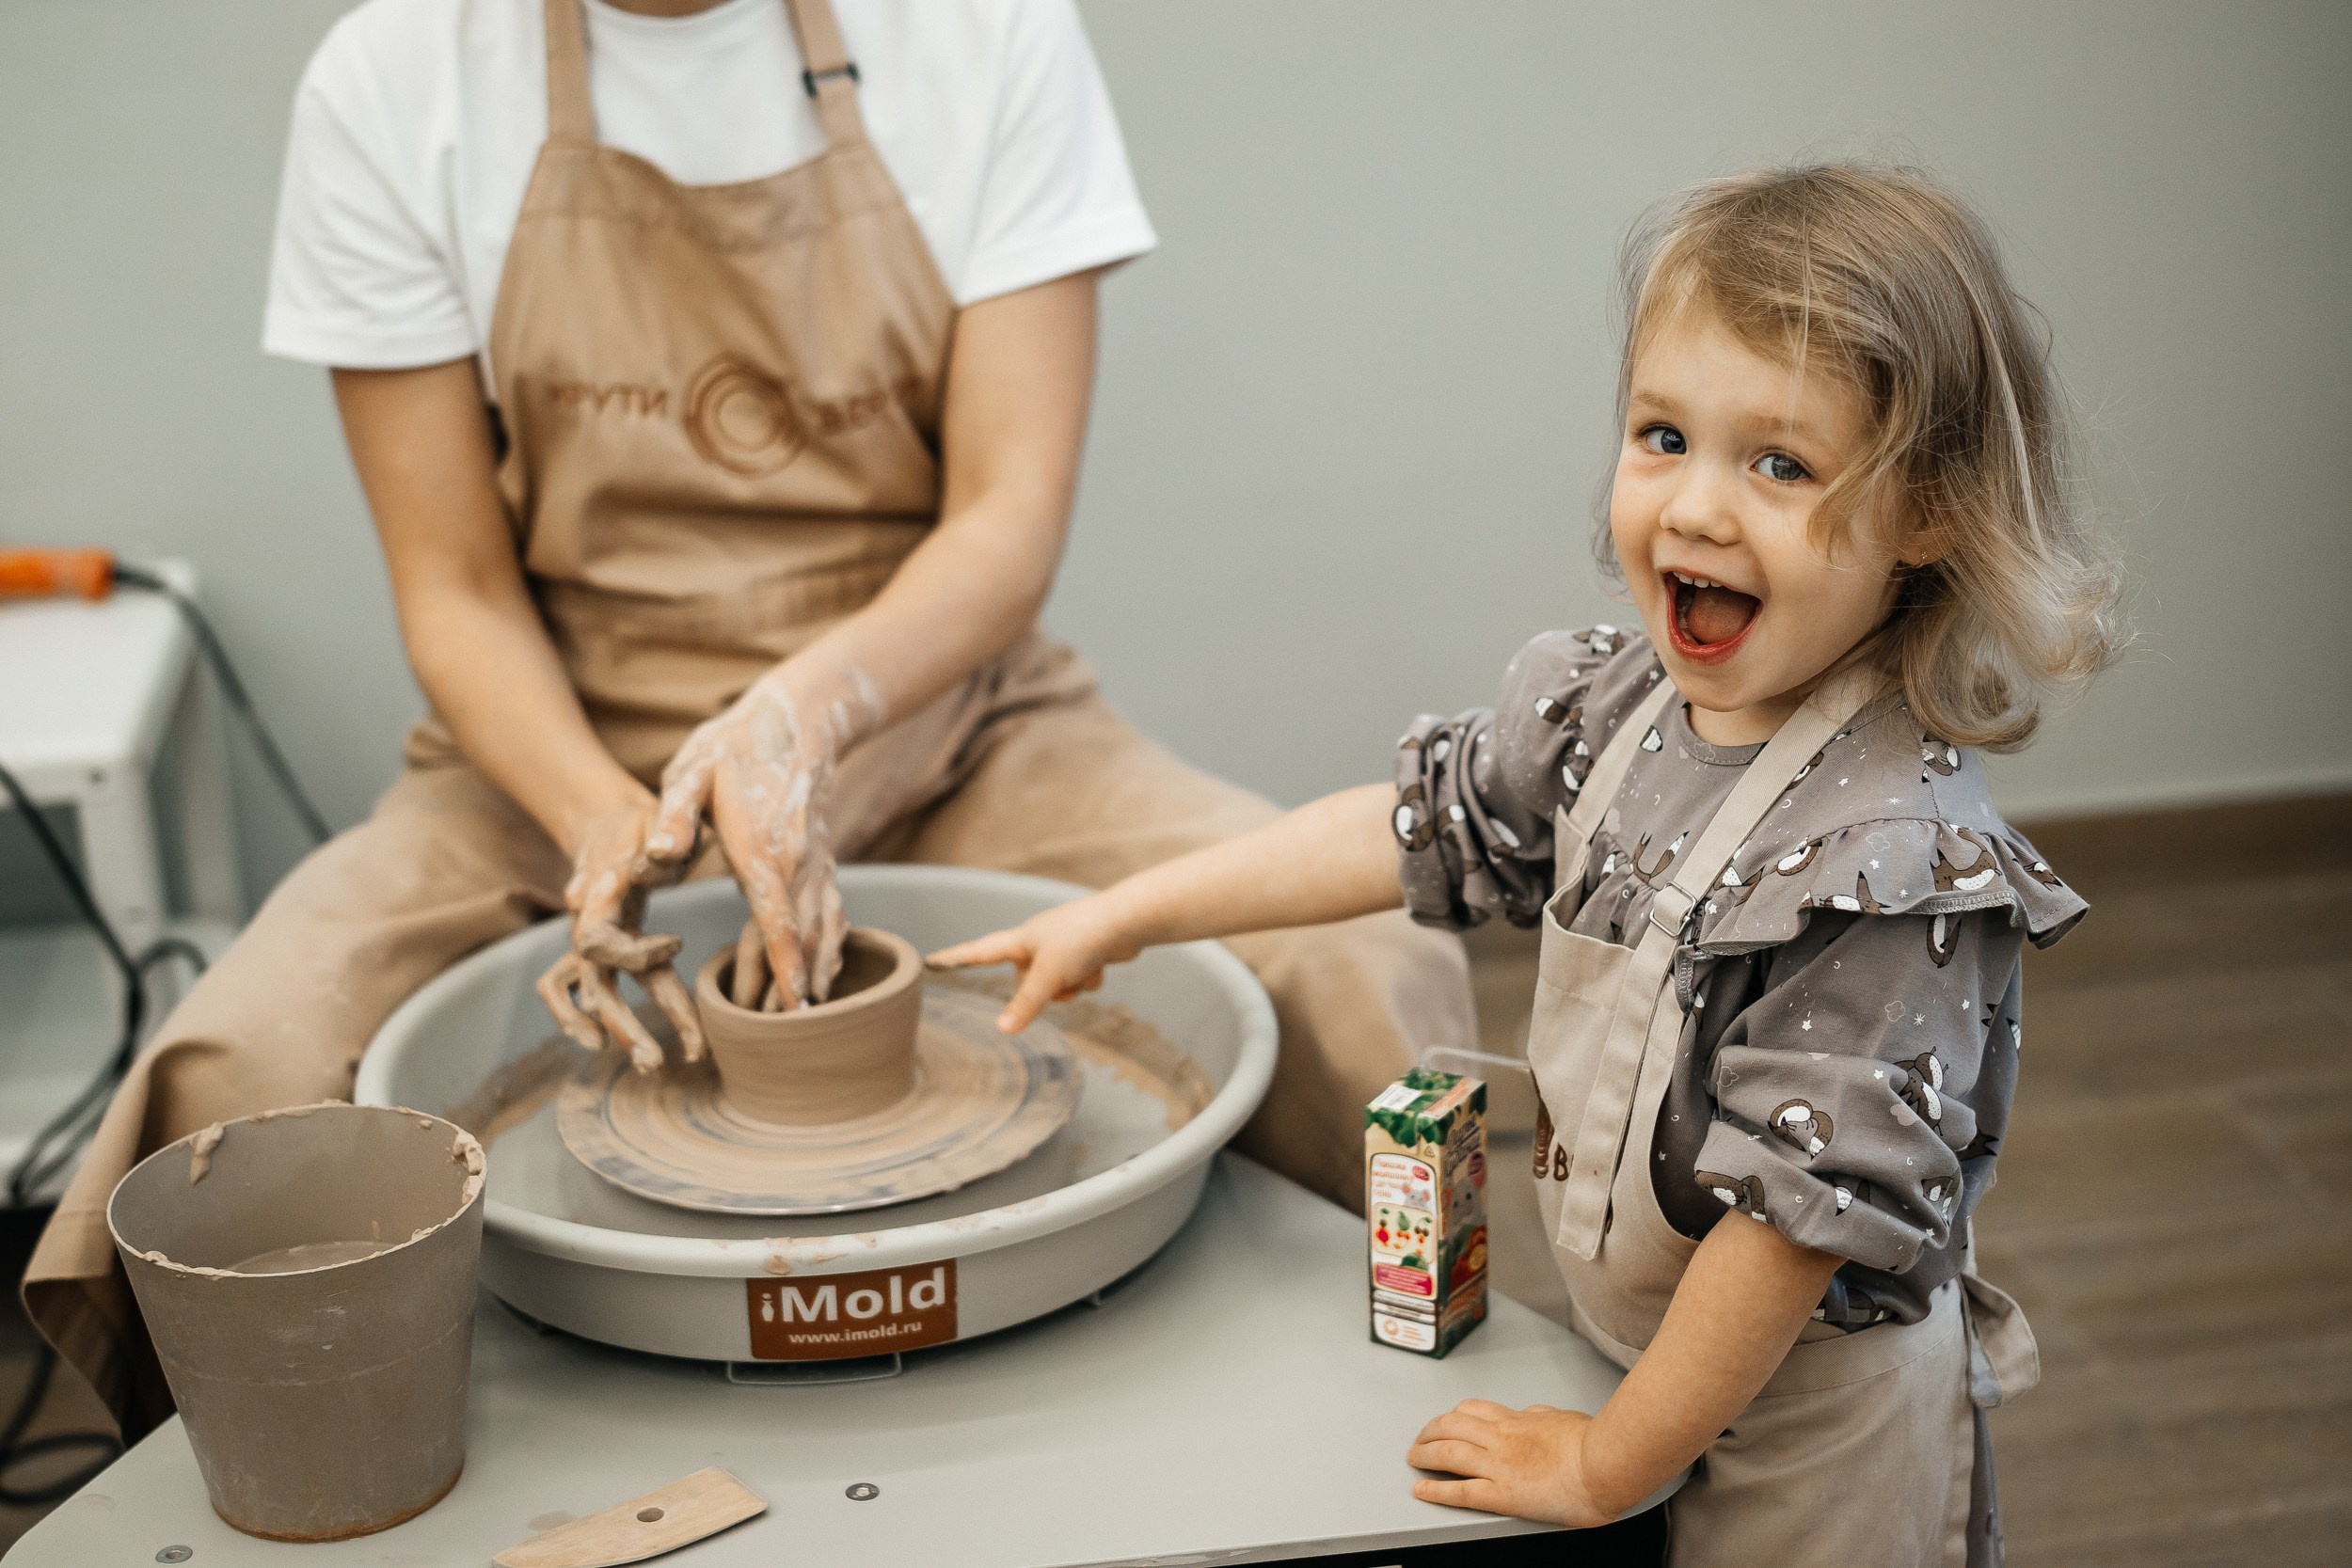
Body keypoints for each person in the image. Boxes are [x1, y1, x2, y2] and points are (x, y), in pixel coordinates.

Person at [25, 0, 1472, 1437]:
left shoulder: (984, 34)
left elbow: (1006, 518)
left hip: (941, 713)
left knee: (1365, 972)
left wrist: (796, 719)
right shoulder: (398, 74)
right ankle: (307, 1495)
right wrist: (604, 817)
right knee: (242, 1087)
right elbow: (455, 591)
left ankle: (1460, 1454)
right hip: (550, 745)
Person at [933, 164, 2124, 1565]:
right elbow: (1407, 822)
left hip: (1818, 1436)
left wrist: (1604, 1466)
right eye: (1663, 435)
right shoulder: (1610, 713)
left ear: (1930, 514)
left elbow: (1790, 1233)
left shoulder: (1893, 866)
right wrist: (1129, 914)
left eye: (1780, 463)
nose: (1693, 507)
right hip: (1646, 1358)